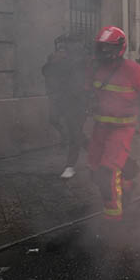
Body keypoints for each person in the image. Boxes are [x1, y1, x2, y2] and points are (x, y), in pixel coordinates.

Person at [88, 26, 140, 220]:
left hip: (121, 130)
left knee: (107, 173)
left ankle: (113, 219)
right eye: (101, 48)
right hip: (99, 129)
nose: (104, 53)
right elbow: (87, 92)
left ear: (119, 49)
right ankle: (127, 187)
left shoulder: (132, 69)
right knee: (95, 173)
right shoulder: (95, 67)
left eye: (108, 48)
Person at [42, 35, 87, 179]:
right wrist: (52, 62)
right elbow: (46, 72)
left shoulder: (81, 60)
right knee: (74, 132)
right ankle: (94, 150)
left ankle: (70, 165)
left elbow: (83, 79)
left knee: (75, 133)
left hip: (79, 102)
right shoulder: (57, 59)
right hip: (64, 101)